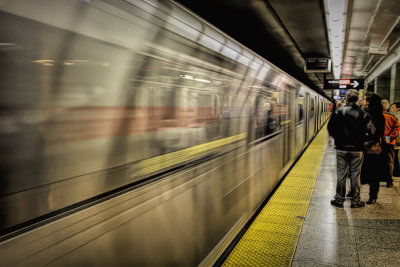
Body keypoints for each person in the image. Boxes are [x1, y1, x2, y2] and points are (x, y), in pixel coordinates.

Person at [328, 89, 374, 208]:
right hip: (357, 149)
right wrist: (361, 140)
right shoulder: (364, 114)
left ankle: (339, 199)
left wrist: (338, 138)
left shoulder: (338, 112)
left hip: (341, 148)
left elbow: (331, 129)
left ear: (347, 99)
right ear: (358, 99)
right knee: (355, 174)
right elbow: (371, 132)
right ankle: (355, 201)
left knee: (341, 173)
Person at [360, 93, 385, 204]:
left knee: (364, 172)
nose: (362, 101)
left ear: (369, 102)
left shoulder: (365, 115)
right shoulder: (381, 116)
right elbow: (380, 133)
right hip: (375, 147)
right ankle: (373, 196)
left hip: (366, 147)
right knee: (374, 174)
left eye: (364, 99)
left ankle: (357, 195)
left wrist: (366, 142)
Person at [382, 100, 400, 187]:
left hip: (377, 142)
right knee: (390, 161)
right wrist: (389, 137)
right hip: (390, 142)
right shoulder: (393, 117)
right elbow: (396, 130)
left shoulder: (375, 116)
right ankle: (389, 181)